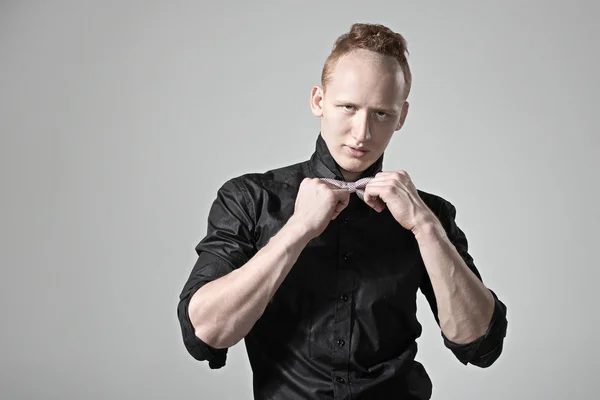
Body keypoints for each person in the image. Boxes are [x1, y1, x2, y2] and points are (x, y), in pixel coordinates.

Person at [177, 22, 508, 400]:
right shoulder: (249, 198)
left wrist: (425, 227)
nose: (362, 132)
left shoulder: (428, 214)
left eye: (382, 113)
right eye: (348, 107)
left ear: (402, 117)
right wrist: (298, 229)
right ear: (318, 100)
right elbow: (204, 335)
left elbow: (480, 342)